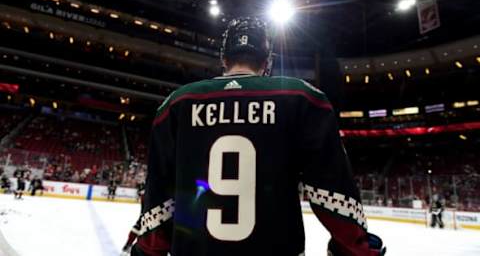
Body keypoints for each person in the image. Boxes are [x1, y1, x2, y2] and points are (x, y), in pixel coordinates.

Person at [130, 17, 386, 256]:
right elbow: (331, 192)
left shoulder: (177, 104)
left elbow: (159, 202)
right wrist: (357, 248)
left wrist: (146, 251)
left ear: (224, 59)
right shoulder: (301, 98)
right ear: (268, 60)